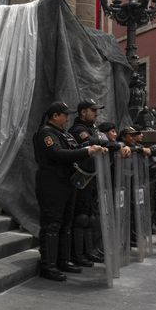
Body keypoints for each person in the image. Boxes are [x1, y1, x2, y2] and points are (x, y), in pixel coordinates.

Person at [33, 101, 105, 281]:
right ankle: (48, 265)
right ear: (55, 116)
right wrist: (86, 151)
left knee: (66, 224)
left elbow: (73, 150)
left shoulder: (63, 133)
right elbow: (57, 153)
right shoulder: (45, 133)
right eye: (64, 115)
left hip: (68, 182)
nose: (67, 118)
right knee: (52, 225)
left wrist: (89, 150)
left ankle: (63, 260)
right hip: (52, 184)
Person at [68, 99, 107, 265]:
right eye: (93, 110)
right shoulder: (78, 130)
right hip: (81, 178)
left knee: (90, 216)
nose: (96, 113)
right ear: (83, 112)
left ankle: (89, 250)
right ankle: (78, 254)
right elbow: (93, 142)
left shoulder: (92, 129)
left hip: (92, 177)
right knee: (81, 216)